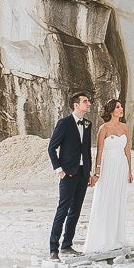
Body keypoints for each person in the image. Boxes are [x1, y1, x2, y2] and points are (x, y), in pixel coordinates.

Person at [82, 98, 134, 258]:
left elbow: (127, 150)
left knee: (119, 200)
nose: (121, 109)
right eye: (118, 107)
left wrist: (130, 170)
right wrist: (97, 172)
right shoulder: (103, 128)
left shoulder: (125, 127)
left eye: (121, 106)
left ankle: (117, 237)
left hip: (121, 165)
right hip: (108, 165)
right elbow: (99, 152)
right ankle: (103, 238)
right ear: (112, 110)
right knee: (105, 198)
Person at [47, 92, 94, 258]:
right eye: (85, 101)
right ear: (76, 105)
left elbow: (87, 150)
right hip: (68, 173)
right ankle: (53, 249)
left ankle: (67, 245)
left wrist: (88, 172)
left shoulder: (87, 124)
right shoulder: (64, 123)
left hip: (82, 173)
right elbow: (51, 148)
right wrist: (59, 170)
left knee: (76, 211)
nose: (89, 104)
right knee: (63, 210)